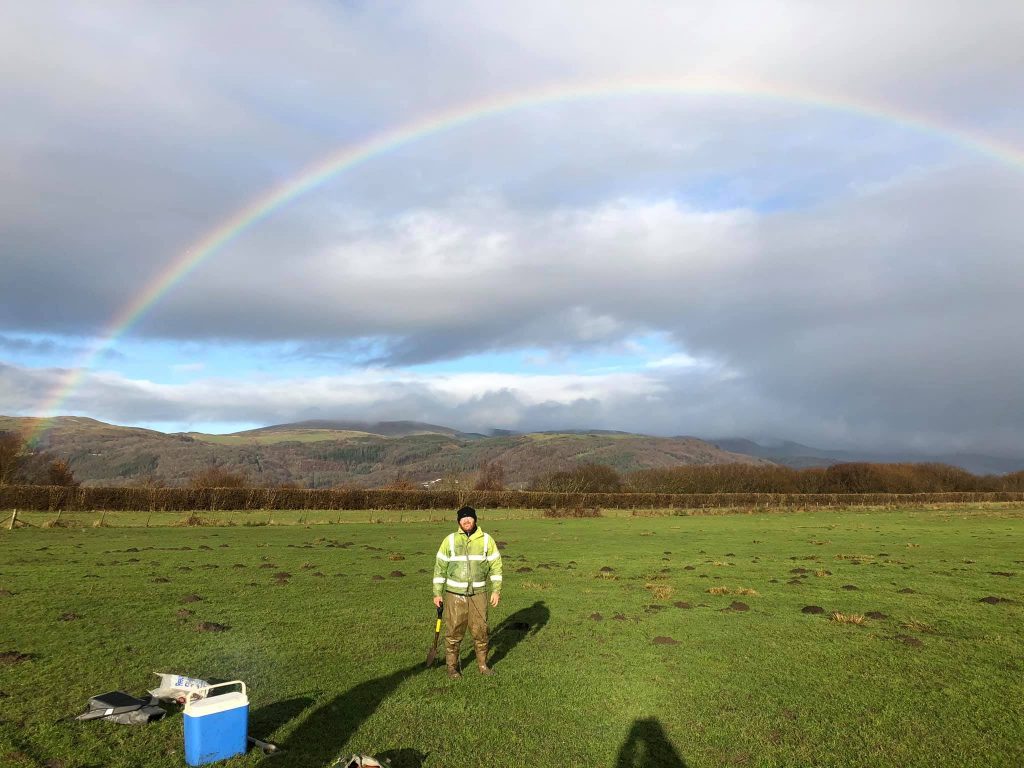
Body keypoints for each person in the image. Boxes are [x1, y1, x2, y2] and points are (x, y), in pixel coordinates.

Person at [432, 505, 503, 678]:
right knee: (454, 633)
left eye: (469, 517)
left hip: (478, 594)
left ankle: (483, 665)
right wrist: (437, 593)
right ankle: (452, 668)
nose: (466, 521)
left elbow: (496, 566)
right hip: (454, 595)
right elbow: (440, 568)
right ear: (458, 521)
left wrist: (496, 590)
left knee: (481, 631)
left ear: (475, 519)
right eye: (463, 518)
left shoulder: (486, 540)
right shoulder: (450, 540)